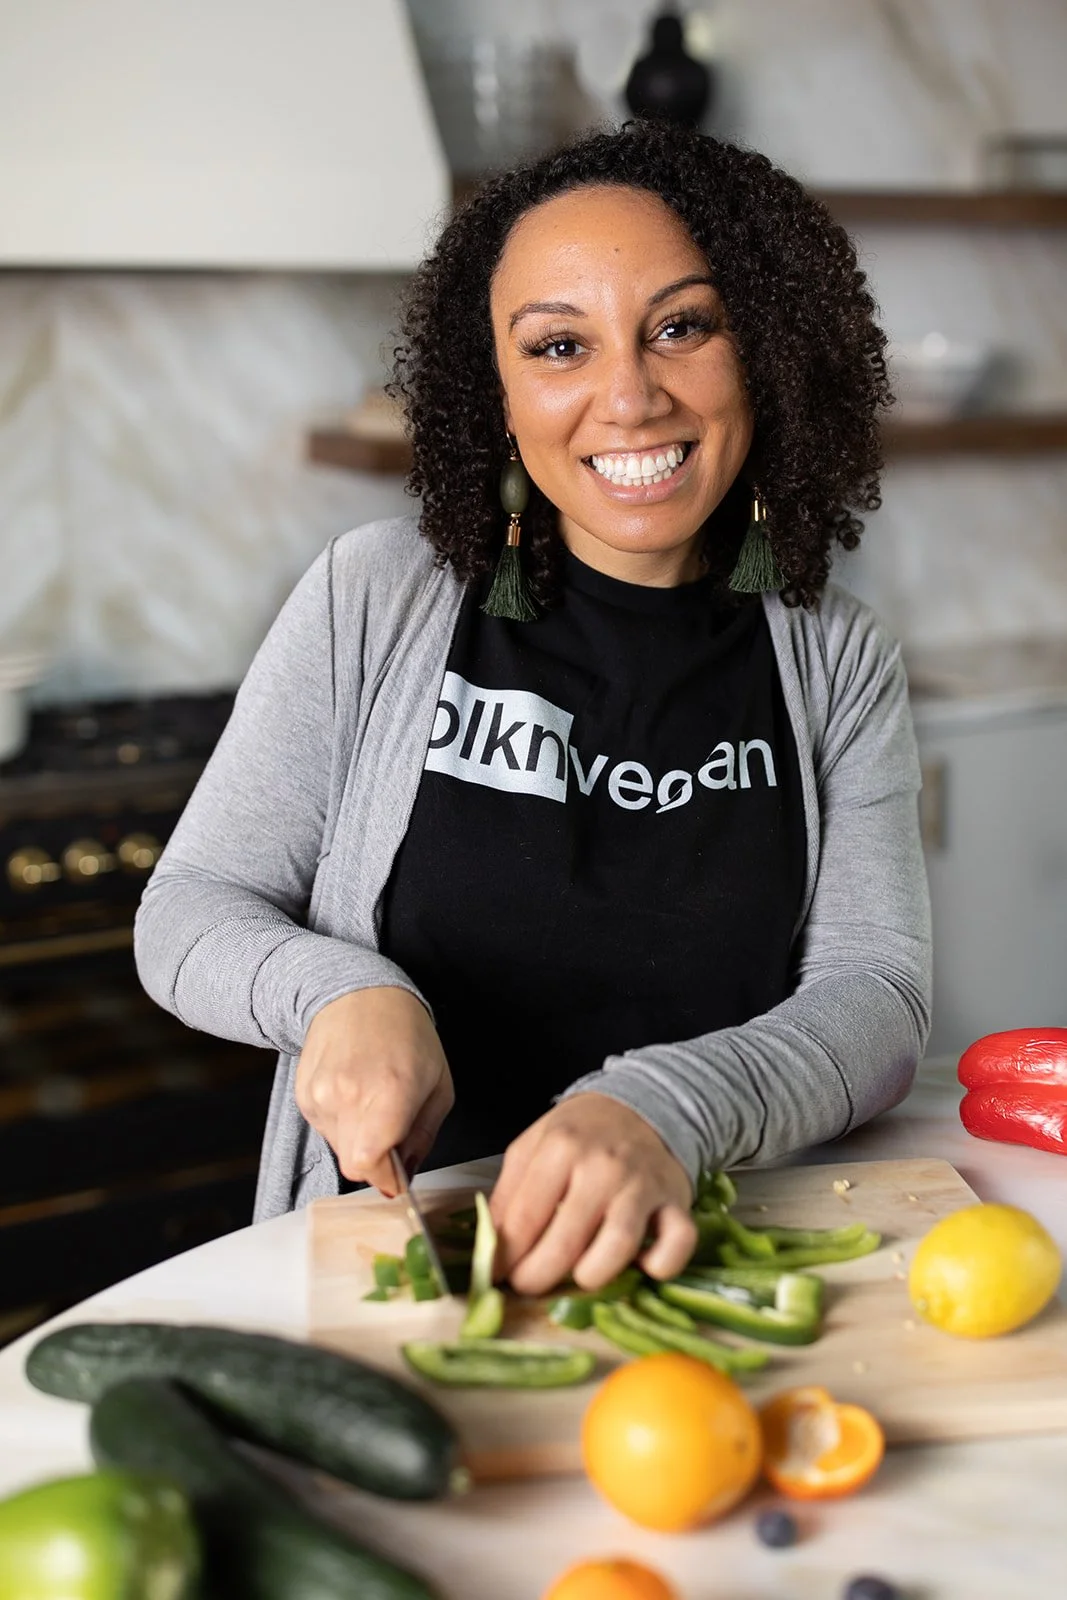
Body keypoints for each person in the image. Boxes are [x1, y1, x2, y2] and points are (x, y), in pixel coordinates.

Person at [134, 120, 931, 1297]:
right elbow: (188, 910)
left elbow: (877, 995)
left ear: (763, 346)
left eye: (680, 326)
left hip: (714, 1258)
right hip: (412, 1272)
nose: (628, 396)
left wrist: (667, 1106)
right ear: (496, 396)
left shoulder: (838, 659)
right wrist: (342, 989)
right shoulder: (374, 597)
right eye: (558, 346)